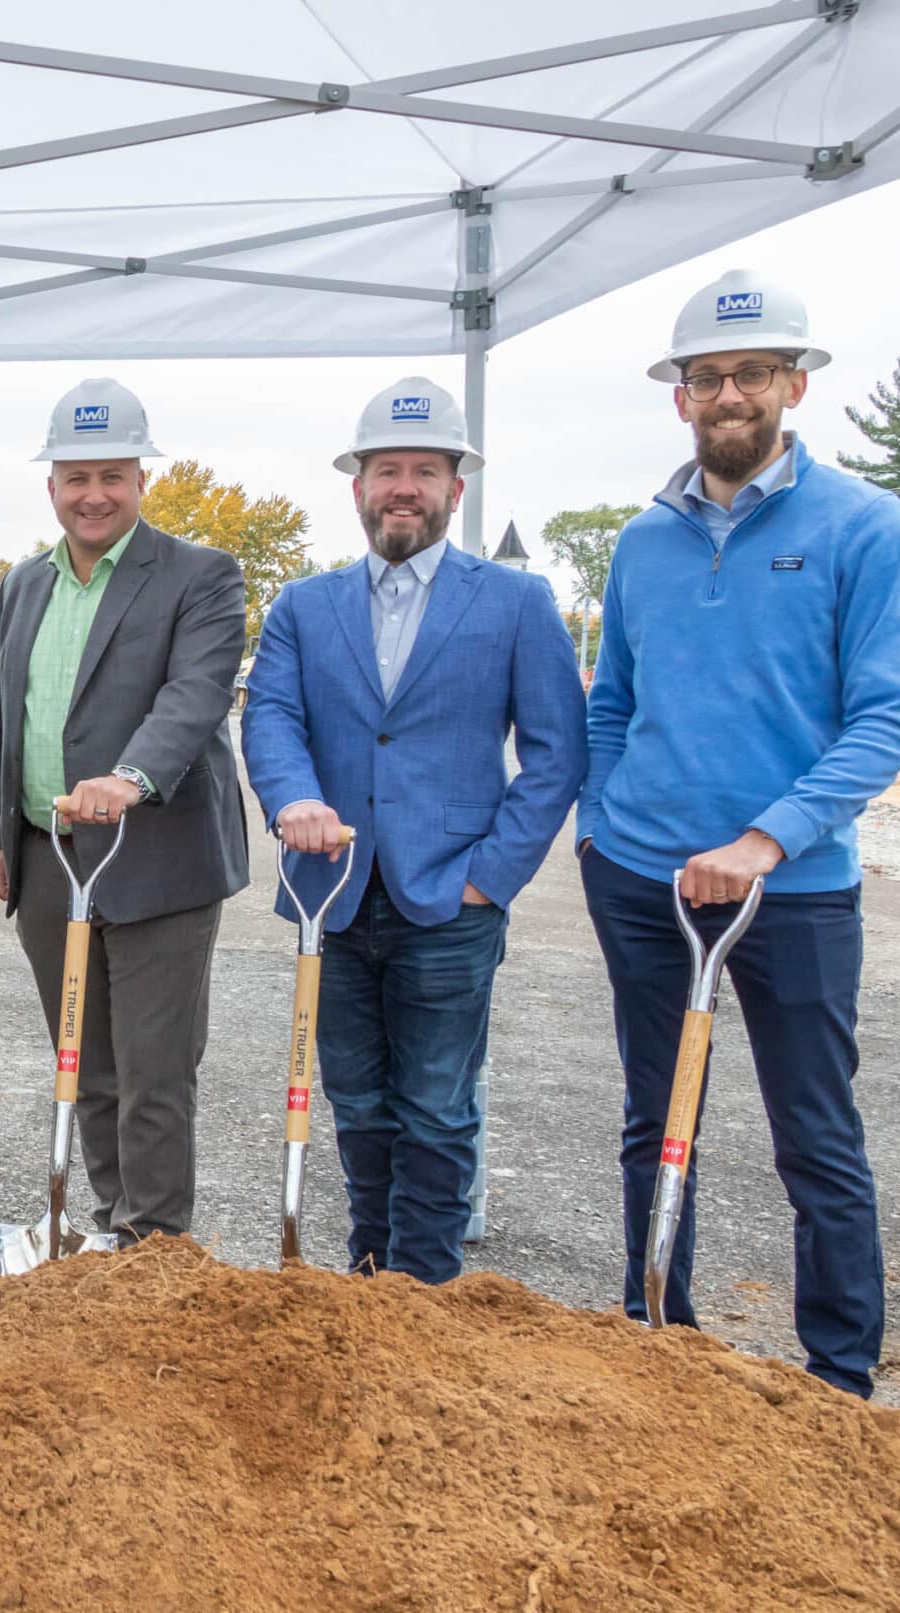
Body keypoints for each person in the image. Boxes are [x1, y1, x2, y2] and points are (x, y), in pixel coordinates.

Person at [579, 270, 900, 1396]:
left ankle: (839, 1380)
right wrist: (601, 821)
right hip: (642, 876)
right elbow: (612, 701)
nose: (727, 394)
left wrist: (767, 840)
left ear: (792, 384)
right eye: (705, 377)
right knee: (656, 1115)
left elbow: (891, 717)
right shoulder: (644, 540)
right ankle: (656, 1336)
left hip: (796, 891)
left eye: (750, 374)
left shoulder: (862, 525)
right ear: (680, 398)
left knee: (814, 1136)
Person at [242, 377, 587, 1281]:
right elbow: (270, 718)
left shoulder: (516, 603)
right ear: (357, 486)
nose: (403, 487)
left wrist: (493, 876)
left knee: (436, 1105)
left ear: (454, 490)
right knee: (356, 1097)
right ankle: (369, 1267)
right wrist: (292, 802)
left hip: (452, 899)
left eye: (423, 471)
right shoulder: (303, 607)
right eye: (385, 469)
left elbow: (555, 751)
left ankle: (424, 1288)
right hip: (333, 893)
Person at [0, 379, 249, 1243]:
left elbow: (196, 693)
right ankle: (109, 1228)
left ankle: (155, 1247)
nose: (92, 494)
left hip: (155, 858)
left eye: (111, 475)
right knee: (85, 1067)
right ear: (50, 486)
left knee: (154, 1073)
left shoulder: (199, 575)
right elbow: (6, 711)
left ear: (142, 479)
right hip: (50, 861)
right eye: (74, 477)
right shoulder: (24, 584)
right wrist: (3, 836)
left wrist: (130, 778)